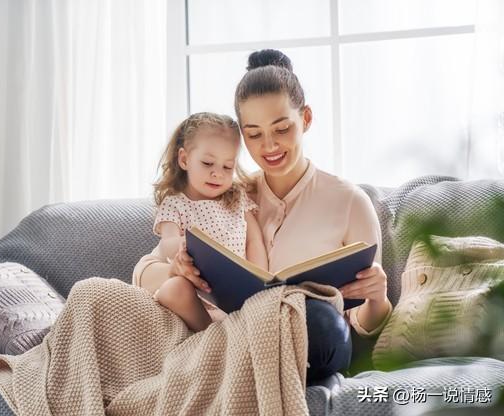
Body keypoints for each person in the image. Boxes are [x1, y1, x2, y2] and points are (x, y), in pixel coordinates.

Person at [134, 49, 393, 382]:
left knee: (322, 325)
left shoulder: (350, 202)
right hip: (231, 329)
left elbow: (360, 325)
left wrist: (379, 298)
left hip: (314, 338)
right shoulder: (226, 194)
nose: (269, 146)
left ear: (306, 119)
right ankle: (231, 362)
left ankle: (239, 360)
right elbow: (143, 271)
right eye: (254, 134)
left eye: (282, 129)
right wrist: (177, 268)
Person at [146, 111, 268, 332]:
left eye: (227, 167)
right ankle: (210, 336)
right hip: (195, 292)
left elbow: (254, 240)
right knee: (173, 288)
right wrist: (185, 247)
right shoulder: (176, 204)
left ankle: (224, 331)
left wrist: (258, 278)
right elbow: (167, 242)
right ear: (184, 159)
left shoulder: (237, 199)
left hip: (234, 293)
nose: (217, 174)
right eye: (208, 163)